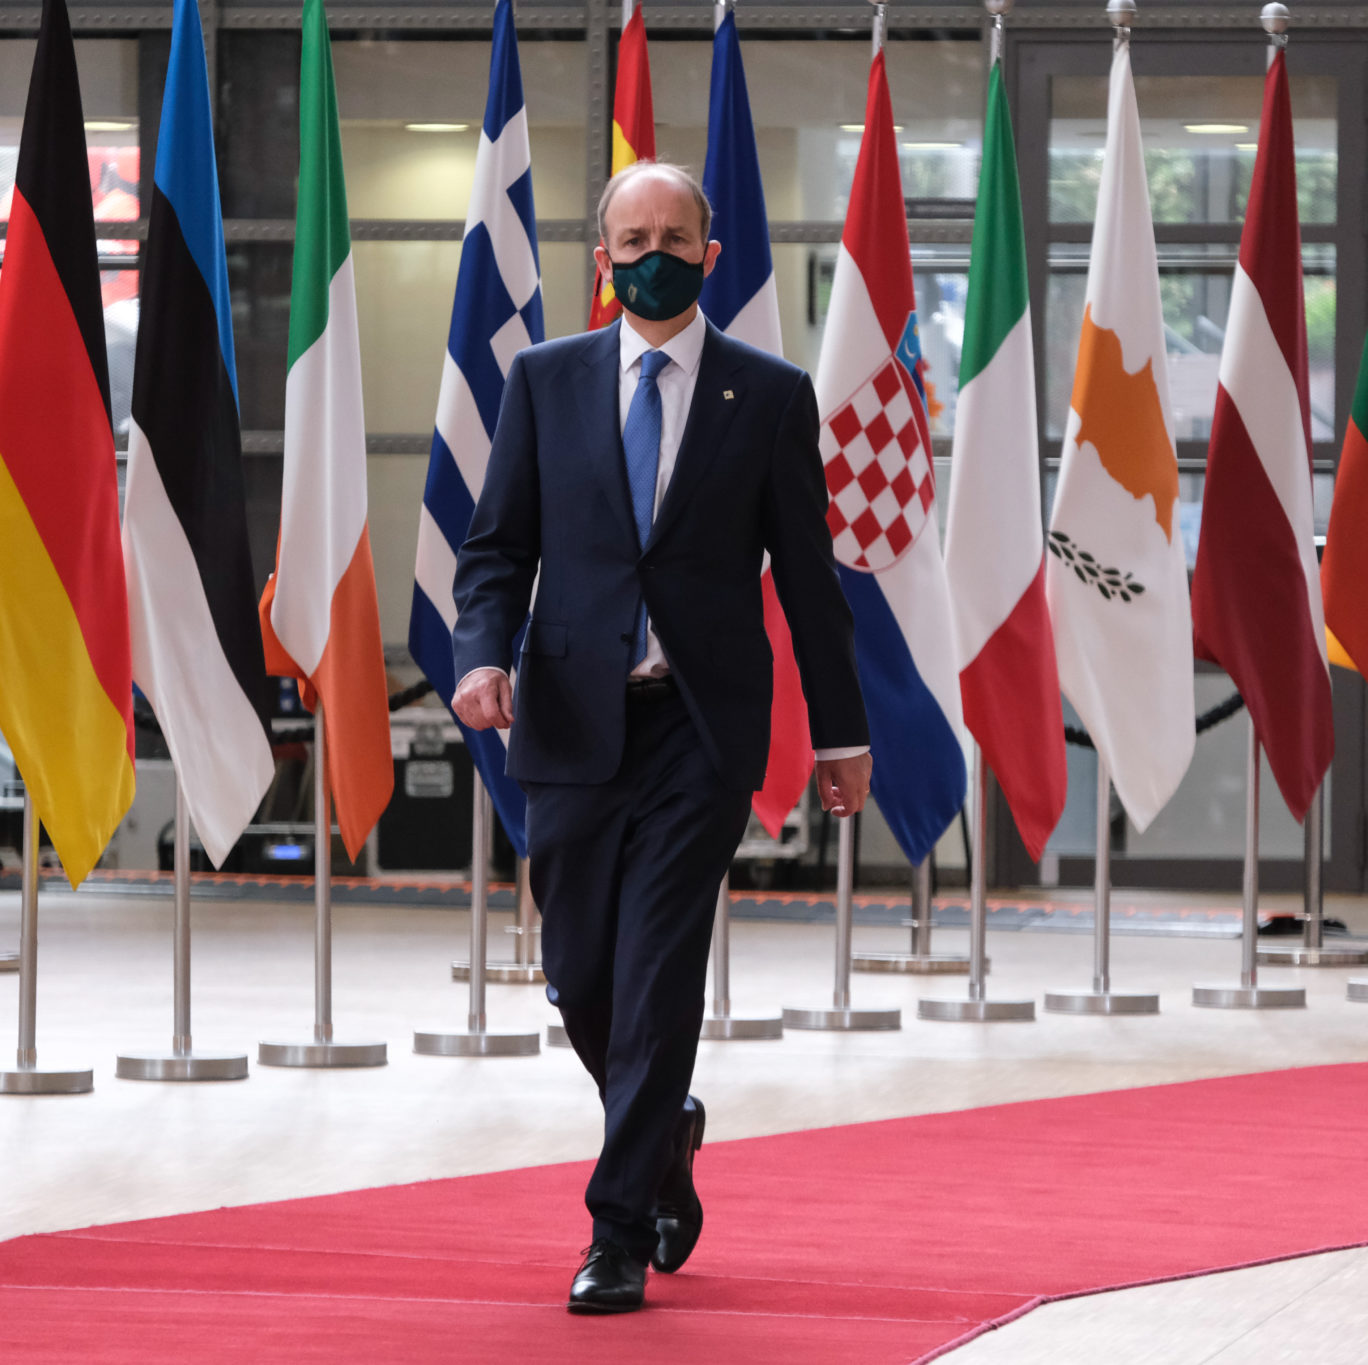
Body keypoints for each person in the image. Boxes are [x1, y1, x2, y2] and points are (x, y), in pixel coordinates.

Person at [450, 160, 871, 1315]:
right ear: (601, 260)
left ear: (709, 254)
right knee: (581, 976)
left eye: (673, 237)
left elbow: (807, 579)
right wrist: (480, 653)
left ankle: (616, 1228)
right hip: (571, 721)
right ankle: (665, 1128)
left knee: (654, 981)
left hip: (699, 728)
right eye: (629, 238)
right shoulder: (543, 381)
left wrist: (839, 734)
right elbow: (496, 549)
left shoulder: (769, 395)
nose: (651, 257)